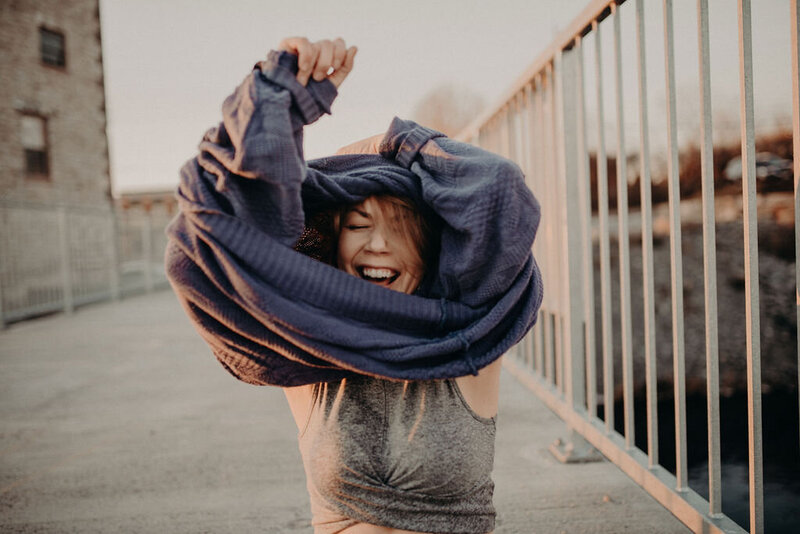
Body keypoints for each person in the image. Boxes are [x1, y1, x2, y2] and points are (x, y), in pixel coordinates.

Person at [166, 36, 542, 534]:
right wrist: (281, 94)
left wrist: (396, 145)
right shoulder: (305, 338)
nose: (379, 244)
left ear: (428, 247)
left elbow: (500, 191)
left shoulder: (466, 331)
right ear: (332, 241)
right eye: (358, 224)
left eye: (401, 227)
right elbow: (221, 228)